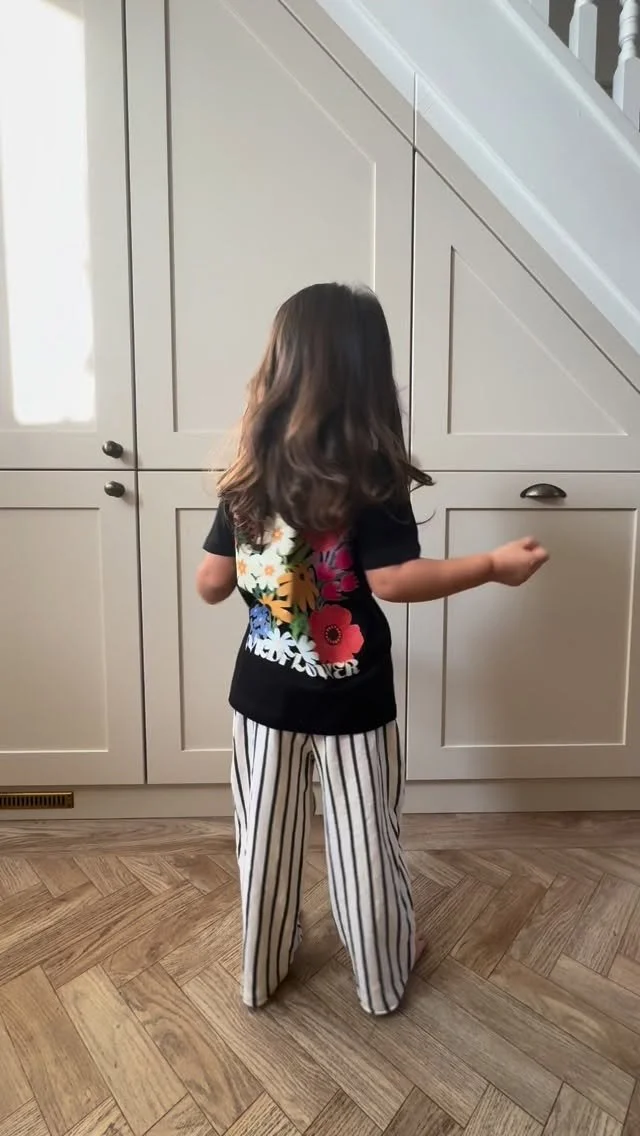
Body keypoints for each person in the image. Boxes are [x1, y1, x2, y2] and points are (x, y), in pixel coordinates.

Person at [196, 282, 548, 1015]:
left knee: (263, 839)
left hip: (260, 698)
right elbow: (393, 581)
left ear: (280, 367)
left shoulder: (249, 471)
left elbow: (210, 584)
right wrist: (490, 565)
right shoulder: (370, 473)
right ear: (366, 375)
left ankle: (262, 969)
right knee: (363, 843)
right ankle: (382, 978)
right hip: (352, 700)